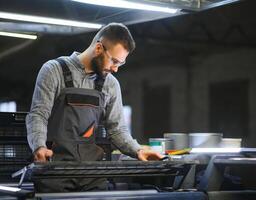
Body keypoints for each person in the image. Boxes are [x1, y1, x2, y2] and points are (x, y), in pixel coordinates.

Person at [26, 23, 163, 192]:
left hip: (91, 173)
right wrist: (39, 147)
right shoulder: (54, 70)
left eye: (120, 63)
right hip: (55, 172)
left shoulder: (110, 84)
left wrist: (137, 151)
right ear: (98, 48)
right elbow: (38, 115)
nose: (116, 69)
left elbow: (117, 129)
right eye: (114, 61)